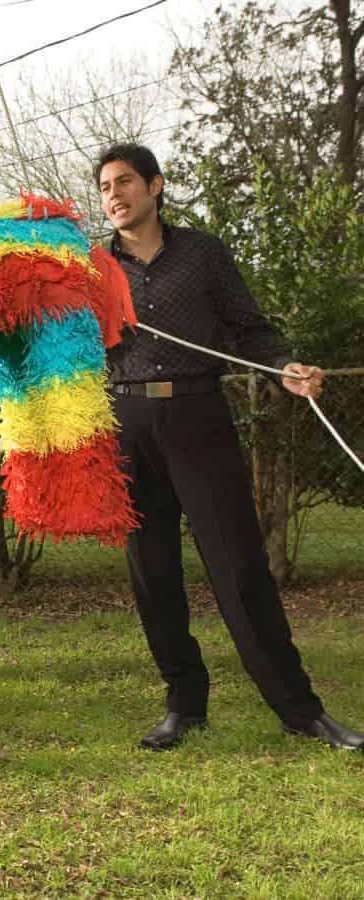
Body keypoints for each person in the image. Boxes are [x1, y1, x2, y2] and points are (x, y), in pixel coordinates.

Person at [94, 143, 364, 751]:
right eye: (106, 187)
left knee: (239, 566)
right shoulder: (91, 269)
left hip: (198, 414)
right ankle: (183, 704)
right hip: (127, 420)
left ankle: (300, 710)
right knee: (152, 571)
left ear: (156, 185)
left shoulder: (204, 254)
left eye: (126, 182)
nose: (114, 195)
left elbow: (251, 329)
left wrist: (283, 367)